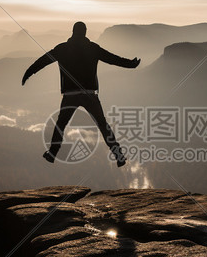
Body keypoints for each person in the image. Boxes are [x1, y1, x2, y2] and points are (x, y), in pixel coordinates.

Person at [22, 21, 140, 166]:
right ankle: (118, 156)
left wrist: (28, 73)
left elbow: (43, 61)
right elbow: (112, 59)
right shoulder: (93, 48)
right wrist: (131, 64)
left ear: (72, 32)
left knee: (61, 124)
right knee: (103, 125)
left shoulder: (62, 49)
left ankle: (52, 153)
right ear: (85, 32)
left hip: (70, 95)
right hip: (90, 94)